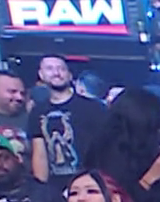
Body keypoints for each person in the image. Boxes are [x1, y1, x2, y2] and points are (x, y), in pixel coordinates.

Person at [27, 56, 108, 193]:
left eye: (61, 69)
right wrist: (40, 191)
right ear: (41, 75)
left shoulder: (93, 107)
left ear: (69, 75)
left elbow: (106, 146)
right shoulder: (37, 112)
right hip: (55, 187)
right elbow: (39, 154)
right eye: (50, 68)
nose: (56, 73)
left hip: (91, 183)